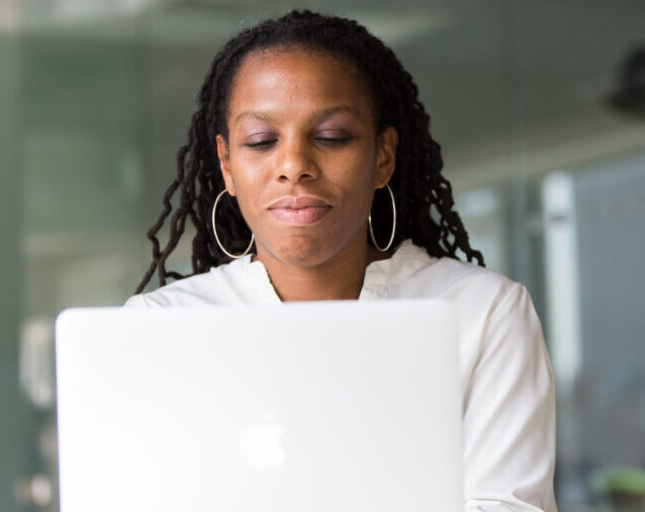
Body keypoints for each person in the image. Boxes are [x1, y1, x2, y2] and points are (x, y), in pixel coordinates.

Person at [123, 10, 557, 512]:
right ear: (227, 165)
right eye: (262, 142)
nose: (294, 167)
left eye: (331, 137)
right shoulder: (161, 329)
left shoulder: (482, 314)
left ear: (383, 157)